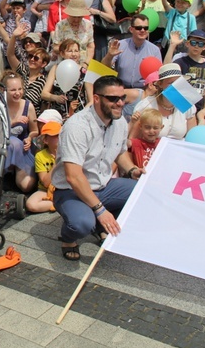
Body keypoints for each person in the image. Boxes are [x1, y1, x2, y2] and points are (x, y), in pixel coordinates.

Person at [51, 75, 142, 261]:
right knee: (81, 225)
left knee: (142, 192)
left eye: (122, 98)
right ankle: (68, 238)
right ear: (97, 98)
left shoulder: (120, 122)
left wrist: (133, 170)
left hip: (103, 186)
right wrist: (100, 211)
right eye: (113, 99)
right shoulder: (77, 126)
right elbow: (73, 177)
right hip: (71, 191)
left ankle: (102, 224)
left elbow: (120, 152)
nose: (120, 103)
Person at [133, 63, 197, 139]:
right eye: (171, 83)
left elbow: (192, 137)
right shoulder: (146, 106)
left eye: (178, 82)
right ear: (160, 84)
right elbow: (134, 139)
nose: (175, 86)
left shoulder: (186, 104)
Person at [102, 14, 162, 89]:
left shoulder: (155, 50)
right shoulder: (120, 45)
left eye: (145, 28)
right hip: (121, 89)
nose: (142, 30)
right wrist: (109, 55)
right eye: (139, 28)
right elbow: (103, 68)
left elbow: (158, 75)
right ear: (131, 29)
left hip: (144, 90)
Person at [4, 72, 38, 192]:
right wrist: (13, 122)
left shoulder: (28, 106)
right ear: (4, 90)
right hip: (4, 150)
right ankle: (6, 174)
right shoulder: (0, 106)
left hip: (23, 151)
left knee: (26, 186)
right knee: (13, 142)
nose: (17, 93)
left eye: (20, 89)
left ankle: (16, 174)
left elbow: (35, 131)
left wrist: (29, 138)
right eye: (13, 90)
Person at [171, 29, 205, 110]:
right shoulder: (180, 62)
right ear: (187, 44)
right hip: (182, 105)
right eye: (193, 42)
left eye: (200, 44)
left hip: (200, 105)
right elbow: (168, 71)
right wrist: (172, 46)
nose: (196, 46)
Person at [41, 39, 87, 120]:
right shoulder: (56, 68)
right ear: (62, 53)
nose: (73, 54)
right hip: (57, 114)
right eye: (69, 51)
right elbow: (44, 93)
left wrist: (84, 114)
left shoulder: (84, 71)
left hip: (77, 115)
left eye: (76, 51)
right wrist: (55, 97)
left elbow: (91, 100)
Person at [25, 121, 62, 213]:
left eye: (61, 134)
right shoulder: (40, 156)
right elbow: (45, 182)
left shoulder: (70, 151)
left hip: (65, 188)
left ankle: (60, 203)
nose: (60, 138)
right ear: (45, 140)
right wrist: (57, 162)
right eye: (55, 135)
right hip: (45, 190)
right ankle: (59, 204)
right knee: (31, 204)